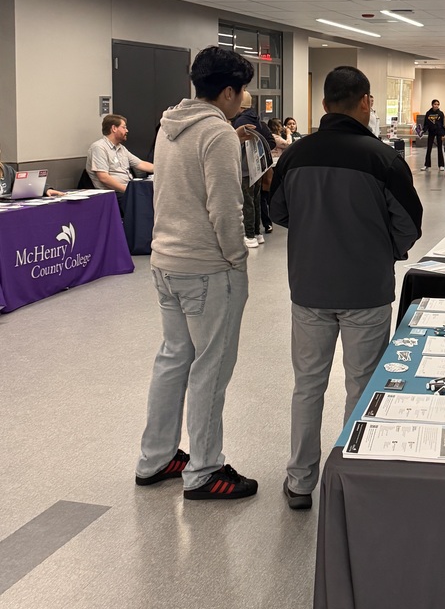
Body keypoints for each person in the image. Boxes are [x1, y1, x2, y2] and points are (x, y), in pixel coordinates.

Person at [270, 66, 423, 509]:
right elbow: (409, 224)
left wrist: (313, 232)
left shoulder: (296, 156)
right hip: (366, 291)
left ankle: (300, 481)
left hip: (310, 288)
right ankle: (352, 481)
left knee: (308, 385)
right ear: (366, 102)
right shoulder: (383, 159)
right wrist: (383, 250)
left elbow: (278, 211)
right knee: (362, 384)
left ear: (323, 106)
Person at [135, 46, 259, 501]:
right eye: (242, 90)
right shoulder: (218, 133)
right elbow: (225, 207)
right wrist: (236, 258)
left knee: (173, 359)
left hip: (165, 261)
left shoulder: (168, 126)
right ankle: (205, 470)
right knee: (210, 367)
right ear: (227, 91)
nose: (242, 98)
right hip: (207, 268)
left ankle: (157, 456)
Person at [86, 114, 154, 214]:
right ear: (114, 128)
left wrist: (163, 169)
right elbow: (103, 178)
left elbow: (141, 164)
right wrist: (129, 191)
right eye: (124, 127)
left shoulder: (121, 148)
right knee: (146, 207)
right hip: (113, 194)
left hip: (127, 190)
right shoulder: (99, 148)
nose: (127, 131)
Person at [232, 91, 272, 249]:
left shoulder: (240, 121)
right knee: (256, 201)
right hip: (257, 169)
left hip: (244, 168)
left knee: (247, 203)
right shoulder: (259, 121)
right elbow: (270, 141)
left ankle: (249, 235)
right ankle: (256, 232)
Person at [420, 99, 444, 171]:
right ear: (432, 105)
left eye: (437, 104)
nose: (436, 105)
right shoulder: (428, 113)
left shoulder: (441, 113)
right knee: (429, 148)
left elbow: (443, 124)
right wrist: (423, 131)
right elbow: (426, 124)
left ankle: (441, 165)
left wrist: (443, 133)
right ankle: (427, 165)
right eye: (435, 104)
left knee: (440, 148)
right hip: (431, 132)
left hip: (439, 132)